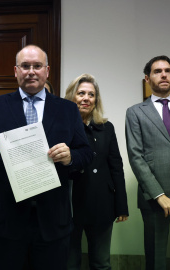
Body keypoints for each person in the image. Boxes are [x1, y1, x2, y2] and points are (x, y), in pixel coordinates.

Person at [0, 44, 92, 270]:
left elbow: (85, 153)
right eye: (25, 66)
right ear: (16, 71)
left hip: (53, 220)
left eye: (37, 66)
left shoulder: (68, 109)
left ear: (47, 71)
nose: (31, 71)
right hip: (7, 219)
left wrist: (70, 157)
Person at [65, 74, 129, 270]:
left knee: (101, 263)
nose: (86, 98)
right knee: (70, 263)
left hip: (102, 203)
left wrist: (121, 206)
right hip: (70, 205)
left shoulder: (106, 128)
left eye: (91, 94)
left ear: (96, 100)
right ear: (72, 96)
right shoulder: (62, 126)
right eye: (81, 93)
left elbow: (116, 167)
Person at [126, 55, 170, 270]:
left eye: (167, 70)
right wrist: (160, 195)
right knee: (156, 260)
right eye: (157, 71)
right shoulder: (135, 112)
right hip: (155, 198)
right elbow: (136, 156)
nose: (164, 74)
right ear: (147, 79)